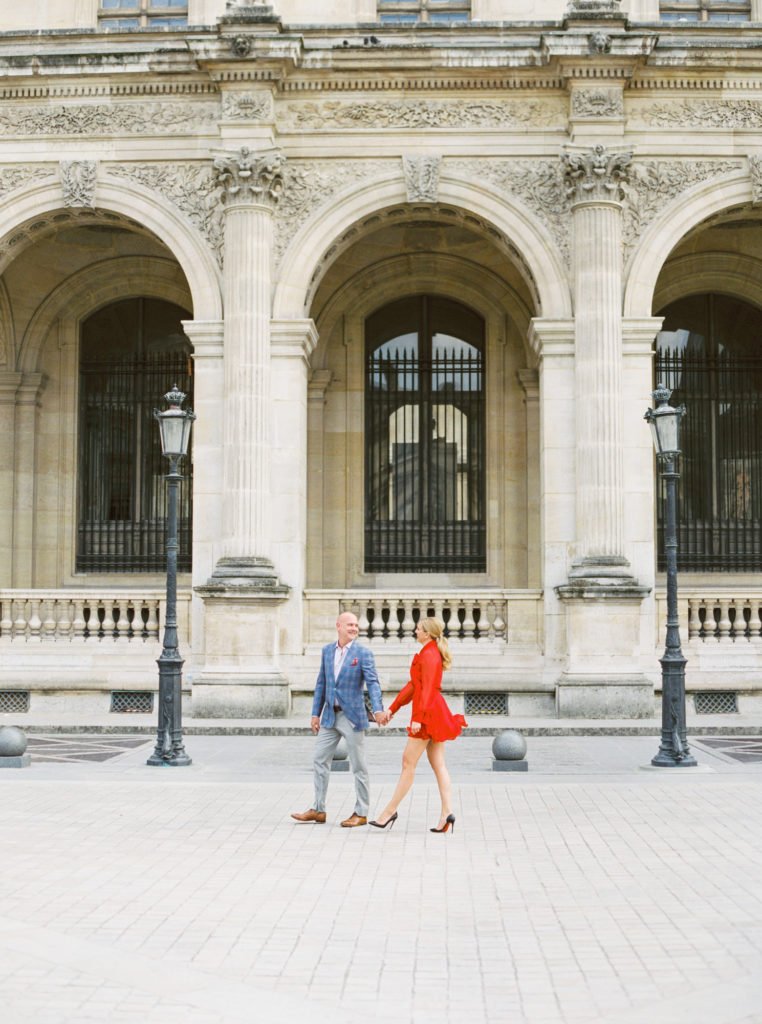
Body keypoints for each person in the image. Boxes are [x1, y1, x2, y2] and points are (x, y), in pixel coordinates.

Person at [370, 616, 466, 834]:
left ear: (428, 633)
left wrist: (418, 719)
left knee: (408, 763)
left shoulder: (430, 654)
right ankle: (446, 813)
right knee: (438, 763)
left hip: (428, 713)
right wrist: (392, 709)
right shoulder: (429, 652)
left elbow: (427, 690)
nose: (415, 630)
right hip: (432, 711)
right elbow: (414, 686)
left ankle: (389, 812)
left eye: (419, 628)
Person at [291, 611, 386, 828]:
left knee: (359, 766)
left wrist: (379, 709)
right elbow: (321, 684)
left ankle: (361, 812)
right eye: (350, 625)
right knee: (319, 759)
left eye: (356, 625)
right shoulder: (327, 651)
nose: (354, 628)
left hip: (352, 716)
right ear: (338, 626)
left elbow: (373, 683)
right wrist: (315, 713)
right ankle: (318, 809)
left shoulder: (363, 653)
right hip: (329, 716)